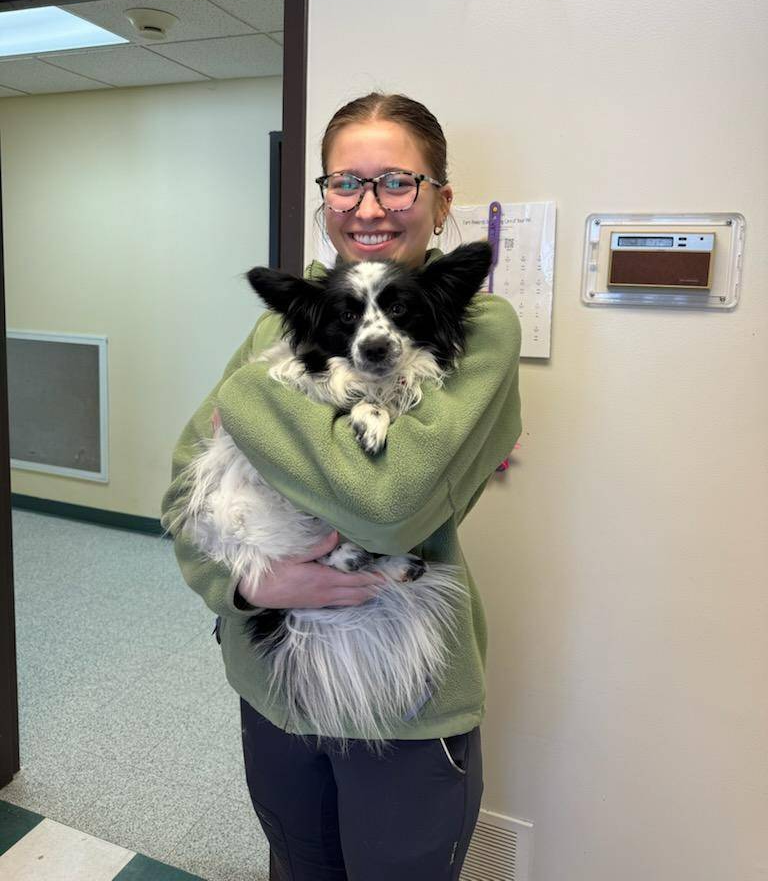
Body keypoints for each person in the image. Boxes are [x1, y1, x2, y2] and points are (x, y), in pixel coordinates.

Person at [160, 93, 522, 880]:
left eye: (397, 181)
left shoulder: (480, 328)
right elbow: (185, 495)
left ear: (440, 199)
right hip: (274, 680)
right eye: (344, 183)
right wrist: (255, 586)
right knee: (297, 868)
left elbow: (388, 506)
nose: (368, 206)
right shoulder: (278, 321)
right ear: (323, 196)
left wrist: (251, 399)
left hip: (406, 702)